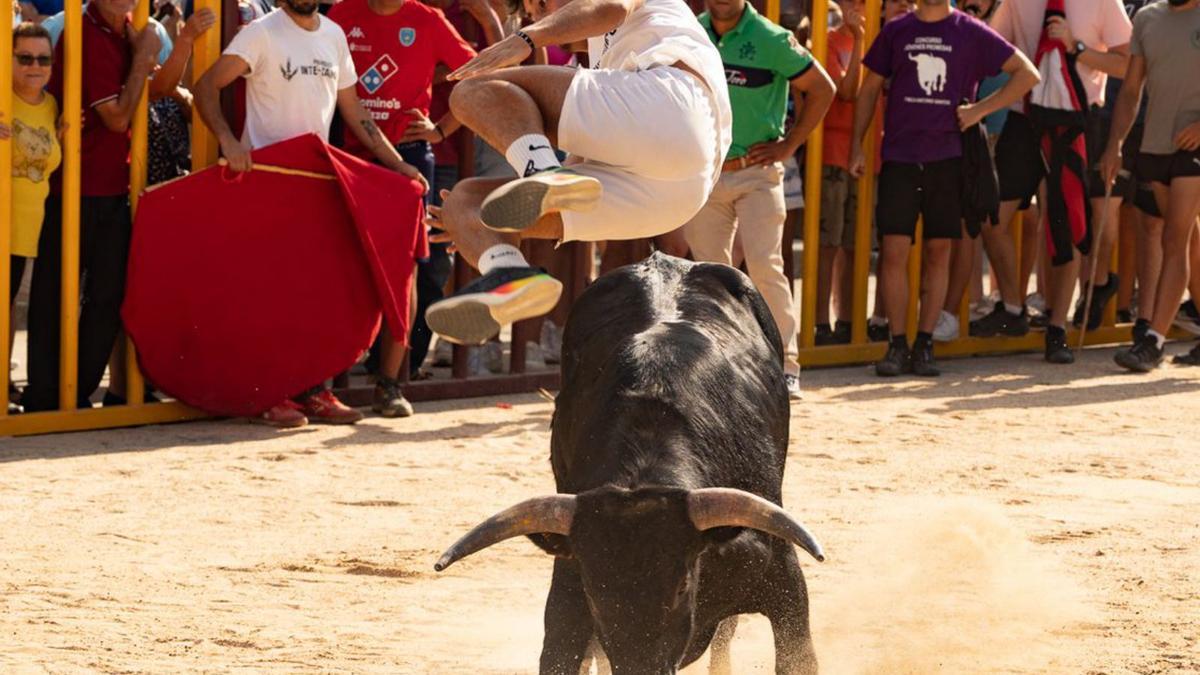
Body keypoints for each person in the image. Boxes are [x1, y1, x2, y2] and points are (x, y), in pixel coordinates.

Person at [421, 0, 732, 347]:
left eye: (539, 4)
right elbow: (579, 176)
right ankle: (508, 273)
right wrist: (479, 229)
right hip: (676, 197)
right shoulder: (606, 69)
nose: (539, 16)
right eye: (532, 14)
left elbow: (610, 6)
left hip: (673, 110)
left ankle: (543, 172)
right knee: (465, 204)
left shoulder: (636, 21)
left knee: (473, 91)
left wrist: (524, 38)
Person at [194, 0, 428, 427]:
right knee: (268, 294)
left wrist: (397, 164)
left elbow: (353, 110)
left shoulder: (333, 35)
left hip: (315, 181)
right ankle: (271, 393)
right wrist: (227, 140)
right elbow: (206, 86)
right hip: (268, 179)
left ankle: (314, 391)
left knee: (314, 294)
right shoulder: (262, 32)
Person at [849, 0, 1038, 377]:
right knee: (892, 252)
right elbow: (869, 87)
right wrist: (857, 145)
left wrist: (980, 110)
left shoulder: (968, 30)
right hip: (900, 158)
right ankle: (896, 345)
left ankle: (925, 344)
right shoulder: (896, 30)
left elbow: (1026, 73)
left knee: (939, 254)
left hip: (949, 159)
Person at [328, 0, 477, 417]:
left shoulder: (427, 20)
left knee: (405, 271)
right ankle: (326, 377)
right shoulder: (341, 14)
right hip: (347, 152)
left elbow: (479, 72)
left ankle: (389, 383)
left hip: (409, 156)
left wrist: (442, 128)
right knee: (339, 264)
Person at [682, 0, 834, 399]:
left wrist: (789, 145)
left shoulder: (773, 38)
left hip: (757, 173)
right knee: (709, 274)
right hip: (708, 174)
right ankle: (715, 364)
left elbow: (823, 88)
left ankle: (785, 366)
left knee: (766, 266)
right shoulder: (690, 29)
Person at [22, 0, 161, 412]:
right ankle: (49, 396)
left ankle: (73, 392)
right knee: (55, 295)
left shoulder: (129, 32)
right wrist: (143, 61)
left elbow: (164, 88)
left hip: (113, 185)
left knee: (107, 295)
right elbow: (117, 118)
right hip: (74, 187)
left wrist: (170, 47)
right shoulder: (86, 35)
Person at [985, 0, 1131, 363]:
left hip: (1076, 121)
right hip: (1025, 117)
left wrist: (1077, 49)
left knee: (1063, 224)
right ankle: (1015, 309)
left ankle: (1057, 328)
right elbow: (992, 45)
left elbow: (1126, 63)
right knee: (991, 217)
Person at [1102, 0, 1200, 371]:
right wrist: (1115, 145)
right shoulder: (1145, 19)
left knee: (1173, 239)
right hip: (1155, 146)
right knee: (1188, 242)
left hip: (1195, 148)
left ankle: (1153, 342)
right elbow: (1130, 90)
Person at [0, 22, 61, 413]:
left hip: (28, 228)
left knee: (6, 310)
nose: (34, 66)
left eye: (43, 58)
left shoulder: (53, 105)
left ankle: (3, 383)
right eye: (24, 58)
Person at [815, 0, 864, 347]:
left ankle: (849, 319)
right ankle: (820, 322)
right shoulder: (829, 40)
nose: (856, 6)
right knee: (828, 243)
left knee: (855, 243)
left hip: (866, 156)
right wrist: (860, 41)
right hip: (831, 154)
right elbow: (846, 92)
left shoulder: (880, 39)